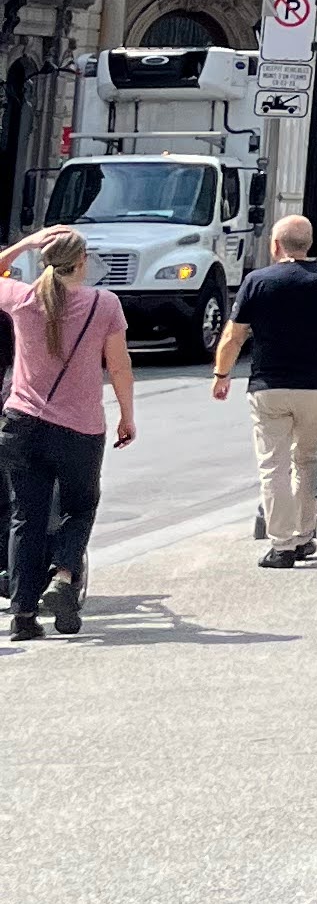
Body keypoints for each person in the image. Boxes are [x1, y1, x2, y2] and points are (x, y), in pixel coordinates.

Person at [1, 227, 134, 638]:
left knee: (27, 517)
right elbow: (119, 366)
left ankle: (23, 616)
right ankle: (62, 576)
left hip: (22, 424)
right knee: (80, 508)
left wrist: (25, 243)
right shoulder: (103, 303)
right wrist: (127, 416)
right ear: (82, 263)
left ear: (44, 261)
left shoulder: (22, 299)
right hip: (80, 428)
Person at [213, 214, 317, 568]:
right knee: (306, 460)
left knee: (273, 466)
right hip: (315, 385)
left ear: (275, 245)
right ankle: (303, 535)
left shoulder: (257, 281)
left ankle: (281, 545)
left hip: (268, 386)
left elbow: (234, 335)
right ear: (309, 245)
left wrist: (221, 374)